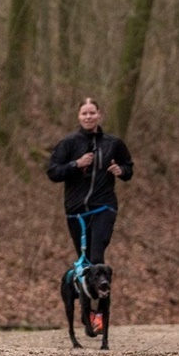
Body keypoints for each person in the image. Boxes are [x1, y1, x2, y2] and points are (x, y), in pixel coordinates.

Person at [46, 97, 133, 332]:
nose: (88, 117)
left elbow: (128, 168)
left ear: (99, 115)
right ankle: (87, 316)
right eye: (84, 113)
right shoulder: (68, 143)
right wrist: (76, 164)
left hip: (104, 208)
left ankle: (97, 321)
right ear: (78, 116)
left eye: (92, 113)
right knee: (84, 266)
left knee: (96, 259)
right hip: (75, 212)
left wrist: (121, 170)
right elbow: (53, 172)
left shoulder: (113, 143)